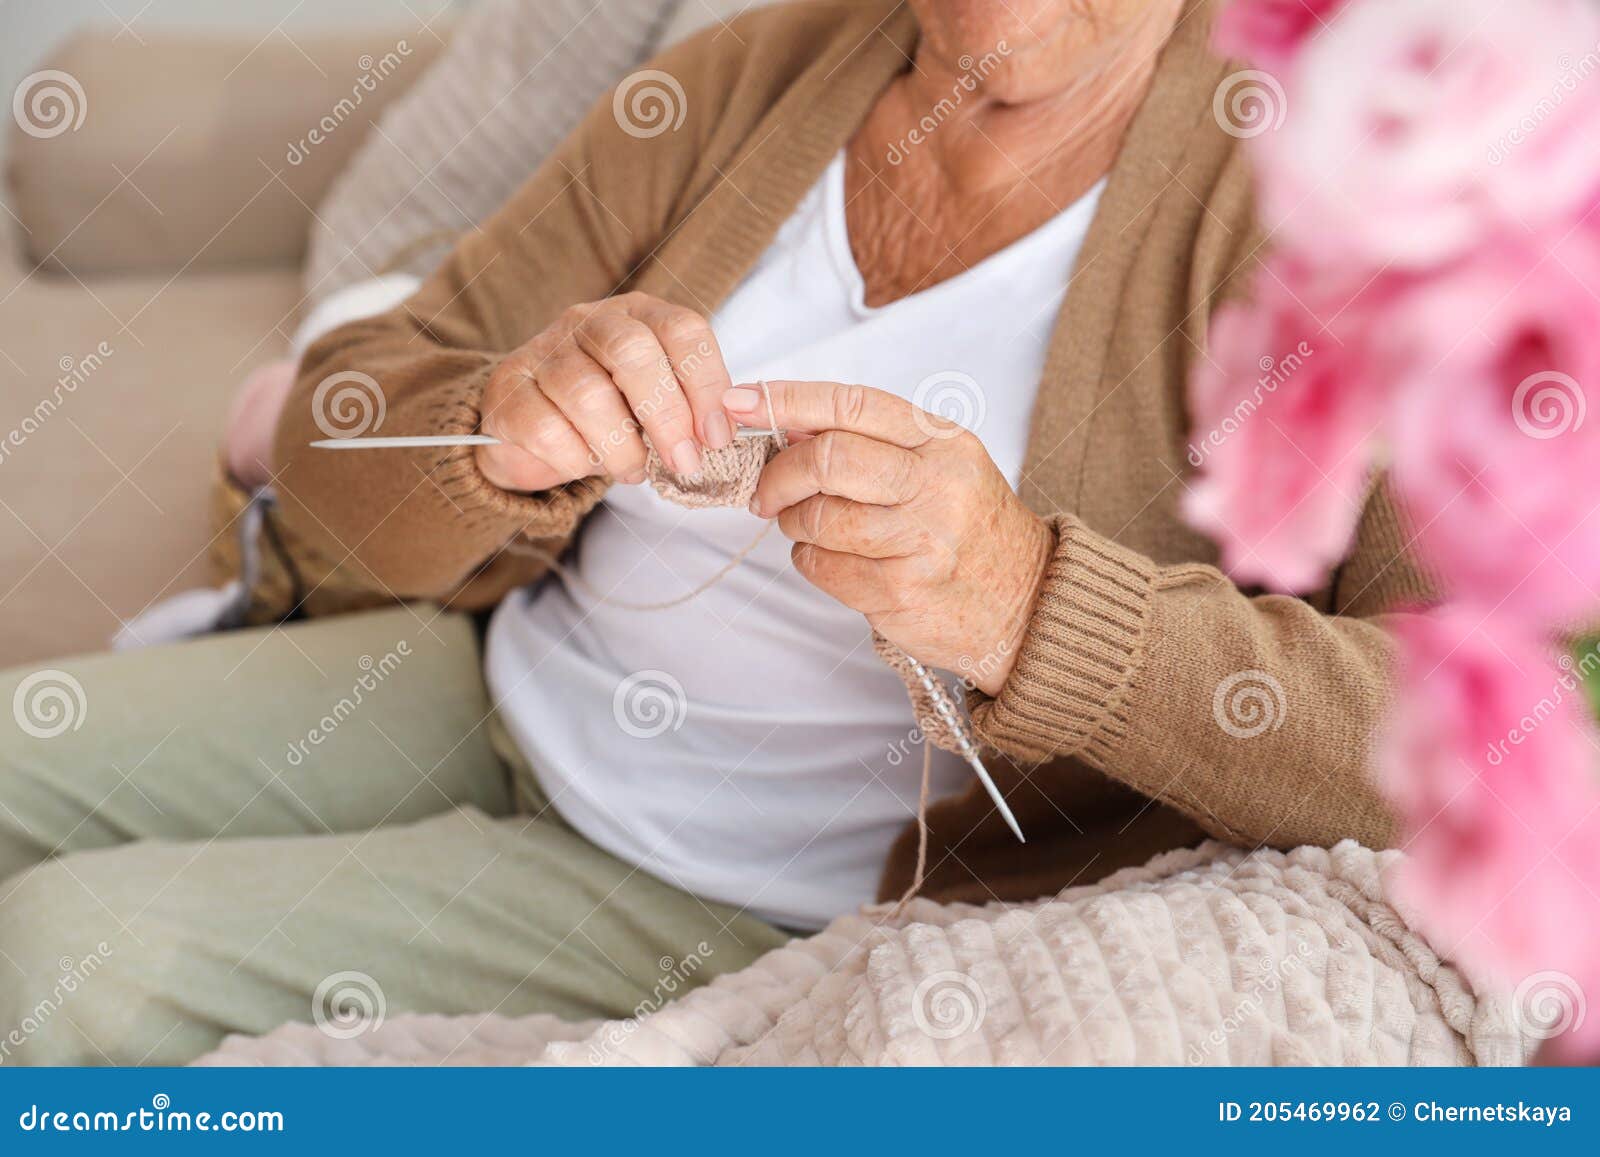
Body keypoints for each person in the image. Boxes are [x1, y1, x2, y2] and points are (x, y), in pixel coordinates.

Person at [0, 0, 1429, 1065]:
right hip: (496, 683)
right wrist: (499, 425)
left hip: (722, 890)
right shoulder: (753, 75)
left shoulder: (1337, 222)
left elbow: (1491, 720)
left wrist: (1026, 597)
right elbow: (350, 418)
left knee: (57, 961)